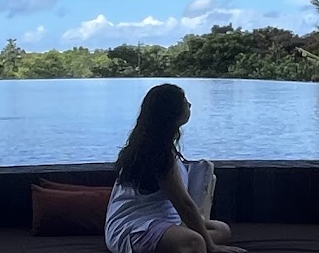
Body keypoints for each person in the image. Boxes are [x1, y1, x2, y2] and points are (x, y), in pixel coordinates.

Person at [104, 83, 244, 253]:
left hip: (163, 221)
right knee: (194, 241)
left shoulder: (158, 146)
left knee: (222, 230)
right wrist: (211, 246)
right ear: (172, 112)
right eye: (185, 102)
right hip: (134, 226)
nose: (189, 105)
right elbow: (183, 203)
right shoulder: (156, 152)